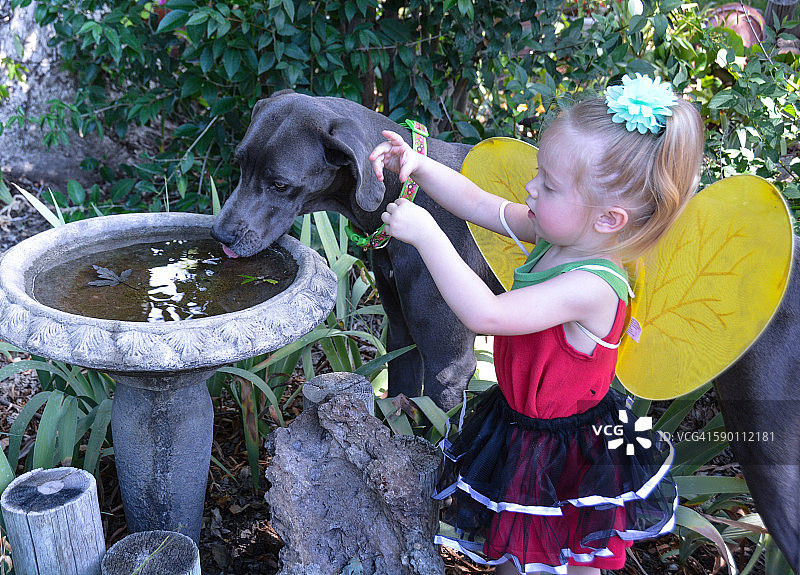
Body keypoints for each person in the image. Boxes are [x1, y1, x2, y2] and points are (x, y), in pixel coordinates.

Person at [369, 74, 705, 574]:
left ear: (608, 219)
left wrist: (426, 234)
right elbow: (479, 204)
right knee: (519, 551)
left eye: (548, 184)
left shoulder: (592, 284)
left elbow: (488, 315)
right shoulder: (558, 235)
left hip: (573, 446)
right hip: (525, 424)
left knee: (573, 553)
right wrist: (419, 167)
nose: (531, 187)